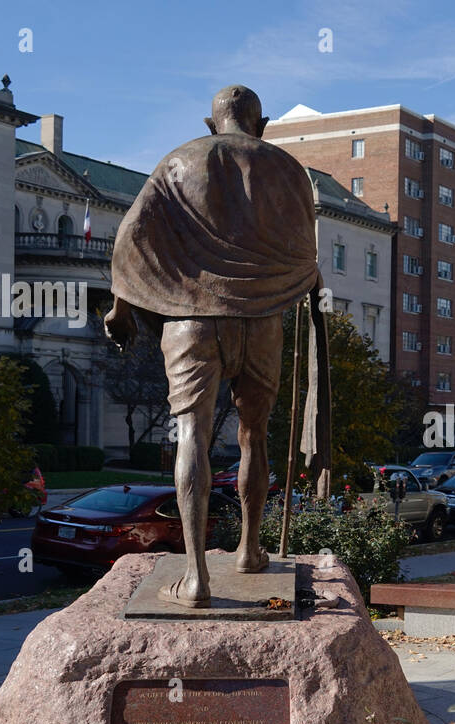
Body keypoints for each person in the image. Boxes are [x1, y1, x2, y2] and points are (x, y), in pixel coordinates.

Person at [104, 85, 329, 608]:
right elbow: (304, 249)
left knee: (192, 436)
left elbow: (132, 233)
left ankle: (198, 576)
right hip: (262, 318)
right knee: (254, 436)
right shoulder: (288, 169)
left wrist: (121, 307)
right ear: (263, 124)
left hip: (192, 321)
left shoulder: (178, 161)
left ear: (211, 124)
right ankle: (250, 550)